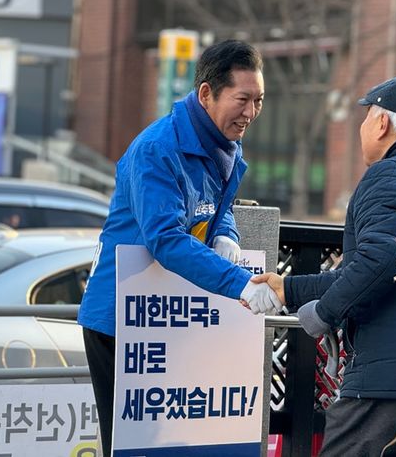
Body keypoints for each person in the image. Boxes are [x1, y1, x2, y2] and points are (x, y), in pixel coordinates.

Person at [252, 75, 396, 456]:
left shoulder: (391, 172)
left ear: (382, 123)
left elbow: (381, 262)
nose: (362, 127)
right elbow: (380, 270)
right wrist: (288, 289)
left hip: (395, 375)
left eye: (365, 117)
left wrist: (323, 314)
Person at [77, 39, 282, 456]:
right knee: (134, 447)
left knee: (179, 442)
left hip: (168, 313)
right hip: (121, 320)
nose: (251, 113)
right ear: (206, 93)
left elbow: (216, 207)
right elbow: (166, 240)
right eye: (242, 99)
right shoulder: (157, 149)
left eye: (258, 101)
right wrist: (241, 285)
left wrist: (228, 234)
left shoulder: (222, 145)